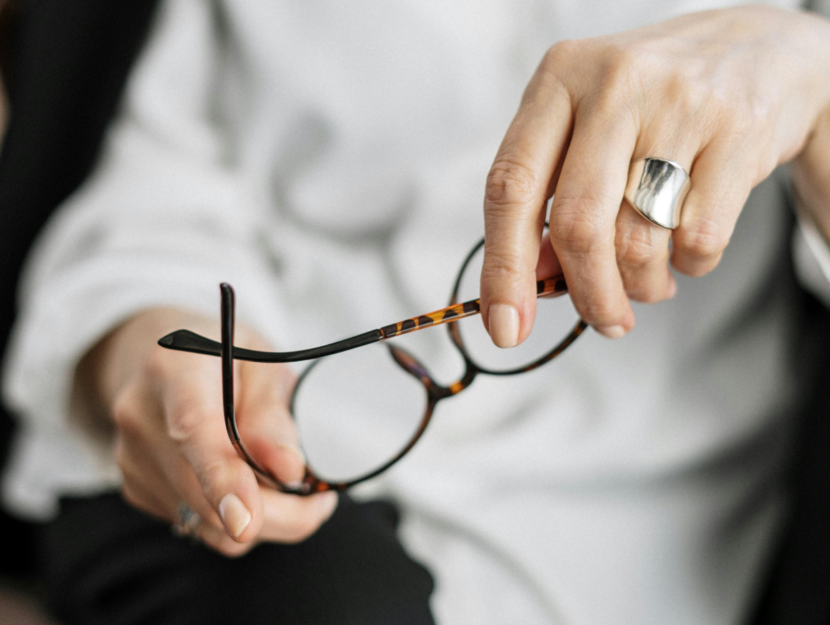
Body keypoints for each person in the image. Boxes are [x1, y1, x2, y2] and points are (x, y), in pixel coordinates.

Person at [2, 0, 830, 623]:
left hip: (676, 530)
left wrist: (813, 76)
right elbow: (154, 185)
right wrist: (145, 351)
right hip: (268, 505)